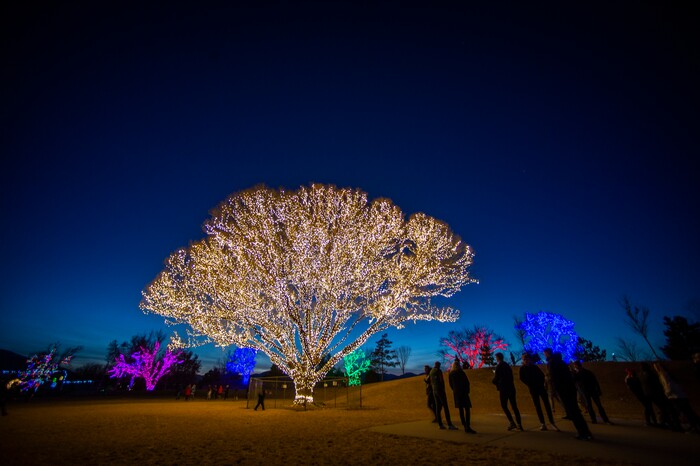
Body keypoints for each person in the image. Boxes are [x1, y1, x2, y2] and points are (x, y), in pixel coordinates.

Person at [544, 348, 593, 440]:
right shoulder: (562, 363)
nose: (545, 355)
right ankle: (585, 432)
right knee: (575, 412)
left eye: (545, 354)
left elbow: (554, 378)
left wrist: (553, 386)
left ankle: (583, 433)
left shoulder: (552, 364)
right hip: (570, 389)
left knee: (573, 412)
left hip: (564, 390)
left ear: (548, 354)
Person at [654, 362, 700, 432]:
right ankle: (694, 425)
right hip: (679, 395)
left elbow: (669, 386)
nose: (655, 368)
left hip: (675, 396)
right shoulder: (666, 374)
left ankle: (694, 426)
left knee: (685, 411)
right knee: (687, 411)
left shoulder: (664, 375)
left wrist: (667, 393)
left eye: (656, 367)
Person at [519, 353, 559, 431]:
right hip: (533, 389)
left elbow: (541, 375)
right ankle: (542, 423)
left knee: (546, 405)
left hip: (540, 388)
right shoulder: (523, 369)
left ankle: (551, 422)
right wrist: (530, 384)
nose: (525, 360)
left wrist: (540, 384)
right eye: (524, 359)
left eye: (526, 359)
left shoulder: (534, 367)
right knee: (538, 406)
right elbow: (522, 378)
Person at [639, 362, 681, 431]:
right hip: (657, 393)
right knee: (666, 408)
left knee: (662, 409)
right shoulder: (651, 374)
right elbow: (657, 384)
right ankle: (672, 425)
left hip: (648, 394)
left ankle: (664, 422)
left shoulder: (641, 375)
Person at [572, 360, 612, 424]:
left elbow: (594, 381)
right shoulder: (584, 373)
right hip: (589, 391)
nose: (575, 367)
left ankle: (596, 419)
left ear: (577, 366)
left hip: (587, 391)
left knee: (593, 406)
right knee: (594, 405)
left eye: (575, 366)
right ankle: (601, 419)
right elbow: (594, 381)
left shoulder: (582, 373)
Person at [492, 352, 523, 431]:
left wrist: (494, 381)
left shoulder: (499, 366)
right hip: (511, 387)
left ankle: (512, 422)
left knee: (504, 405)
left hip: (503, 389)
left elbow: (496, 378)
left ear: (498, 358)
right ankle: (519, 424)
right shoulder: (507, 365)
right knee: (514, 406)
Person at [448, 360, 477, 433]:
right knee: (467, 409)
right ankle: (467, 425)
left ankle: (464, 425)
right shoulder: (461, 373)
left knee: (461, 410)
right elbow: (466, 382)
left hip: (457, 394)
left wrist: (455, 390)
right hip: (464, 393)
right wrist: (467, 391)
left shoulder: (451, 374)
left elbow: (451, 384)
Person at [430, 361, 458, 430]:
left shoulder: (431, 371)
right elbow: (441, 381)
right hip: (440, 390)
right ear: (438, 365)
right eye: (439, 365)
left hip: (434, 390)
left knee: (437, 407)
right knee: (445, 406)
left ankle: (440, 424)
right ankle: (449, 424)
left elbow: (431, 381)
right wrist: (443, 389)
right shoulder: (438, 371)